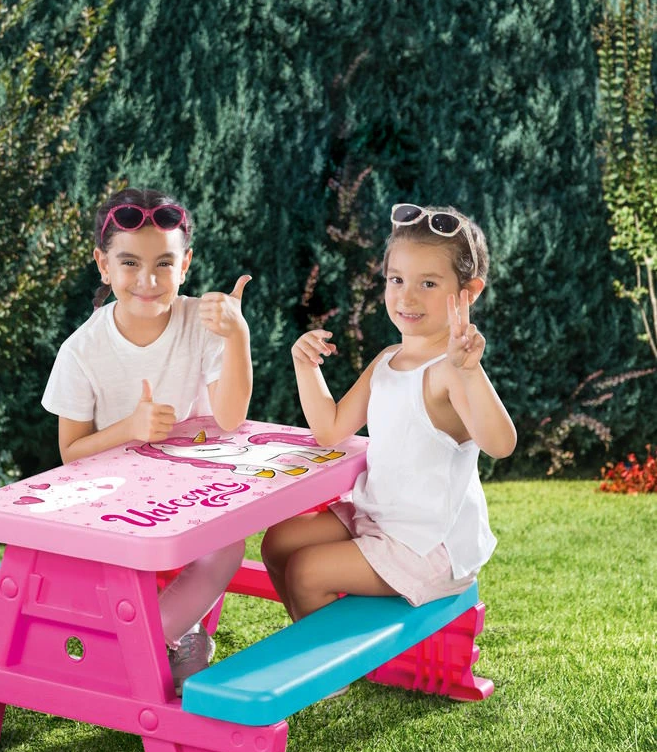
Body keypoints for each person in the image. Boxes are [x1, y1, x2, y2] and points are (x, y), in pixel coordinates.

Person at [261, 202, 516, 637]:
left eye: (428, 283)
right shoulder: (387, 360)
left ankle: (334, 662)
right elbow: (330, 428)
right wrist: (305, 366)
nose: (406, 296)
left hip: (429, 545)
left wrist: (472, 372)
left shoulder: (450, 370)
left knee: (307, 570)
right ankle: (319, 642)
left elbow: (501, 443)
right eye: (396, 279)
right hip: (377, 516)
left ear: (469, 293)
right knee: (279, 541)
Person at [41, 187, 252, 693]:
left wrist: (237, 335)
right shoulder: (81, 351)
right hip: (111, 504)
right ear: (103, 265)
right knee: (103, 571)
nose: (148, 280)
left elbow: (231, 417)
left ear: (185, 265)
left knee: (227, 543)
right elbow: (70, 454)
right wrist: (128, 430)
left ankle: (152, 641)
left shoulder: (204, 323)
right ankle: (165, 639)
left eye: (164, 263)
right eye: (130, 263)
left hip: (190, 493)